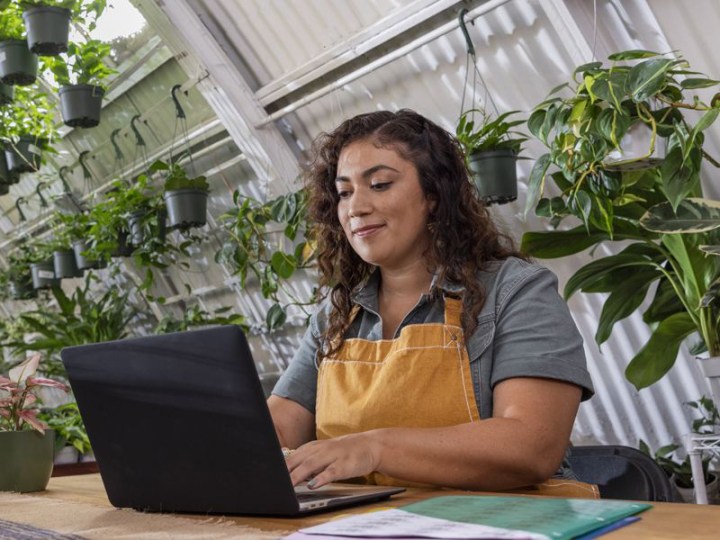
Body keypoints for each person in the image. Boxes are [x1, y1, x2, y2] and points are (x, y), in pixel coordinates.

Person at [269, 109, 594, 494]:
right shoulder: (335, 316)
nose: (355, 207)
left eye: (379, 184)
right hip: (370, 528)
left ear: (434, 195)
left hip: (507, 525)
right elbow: (275, 431)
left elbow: (532, 445)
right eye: (344, 192)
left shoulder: (515, 291)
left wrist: (374, 448)